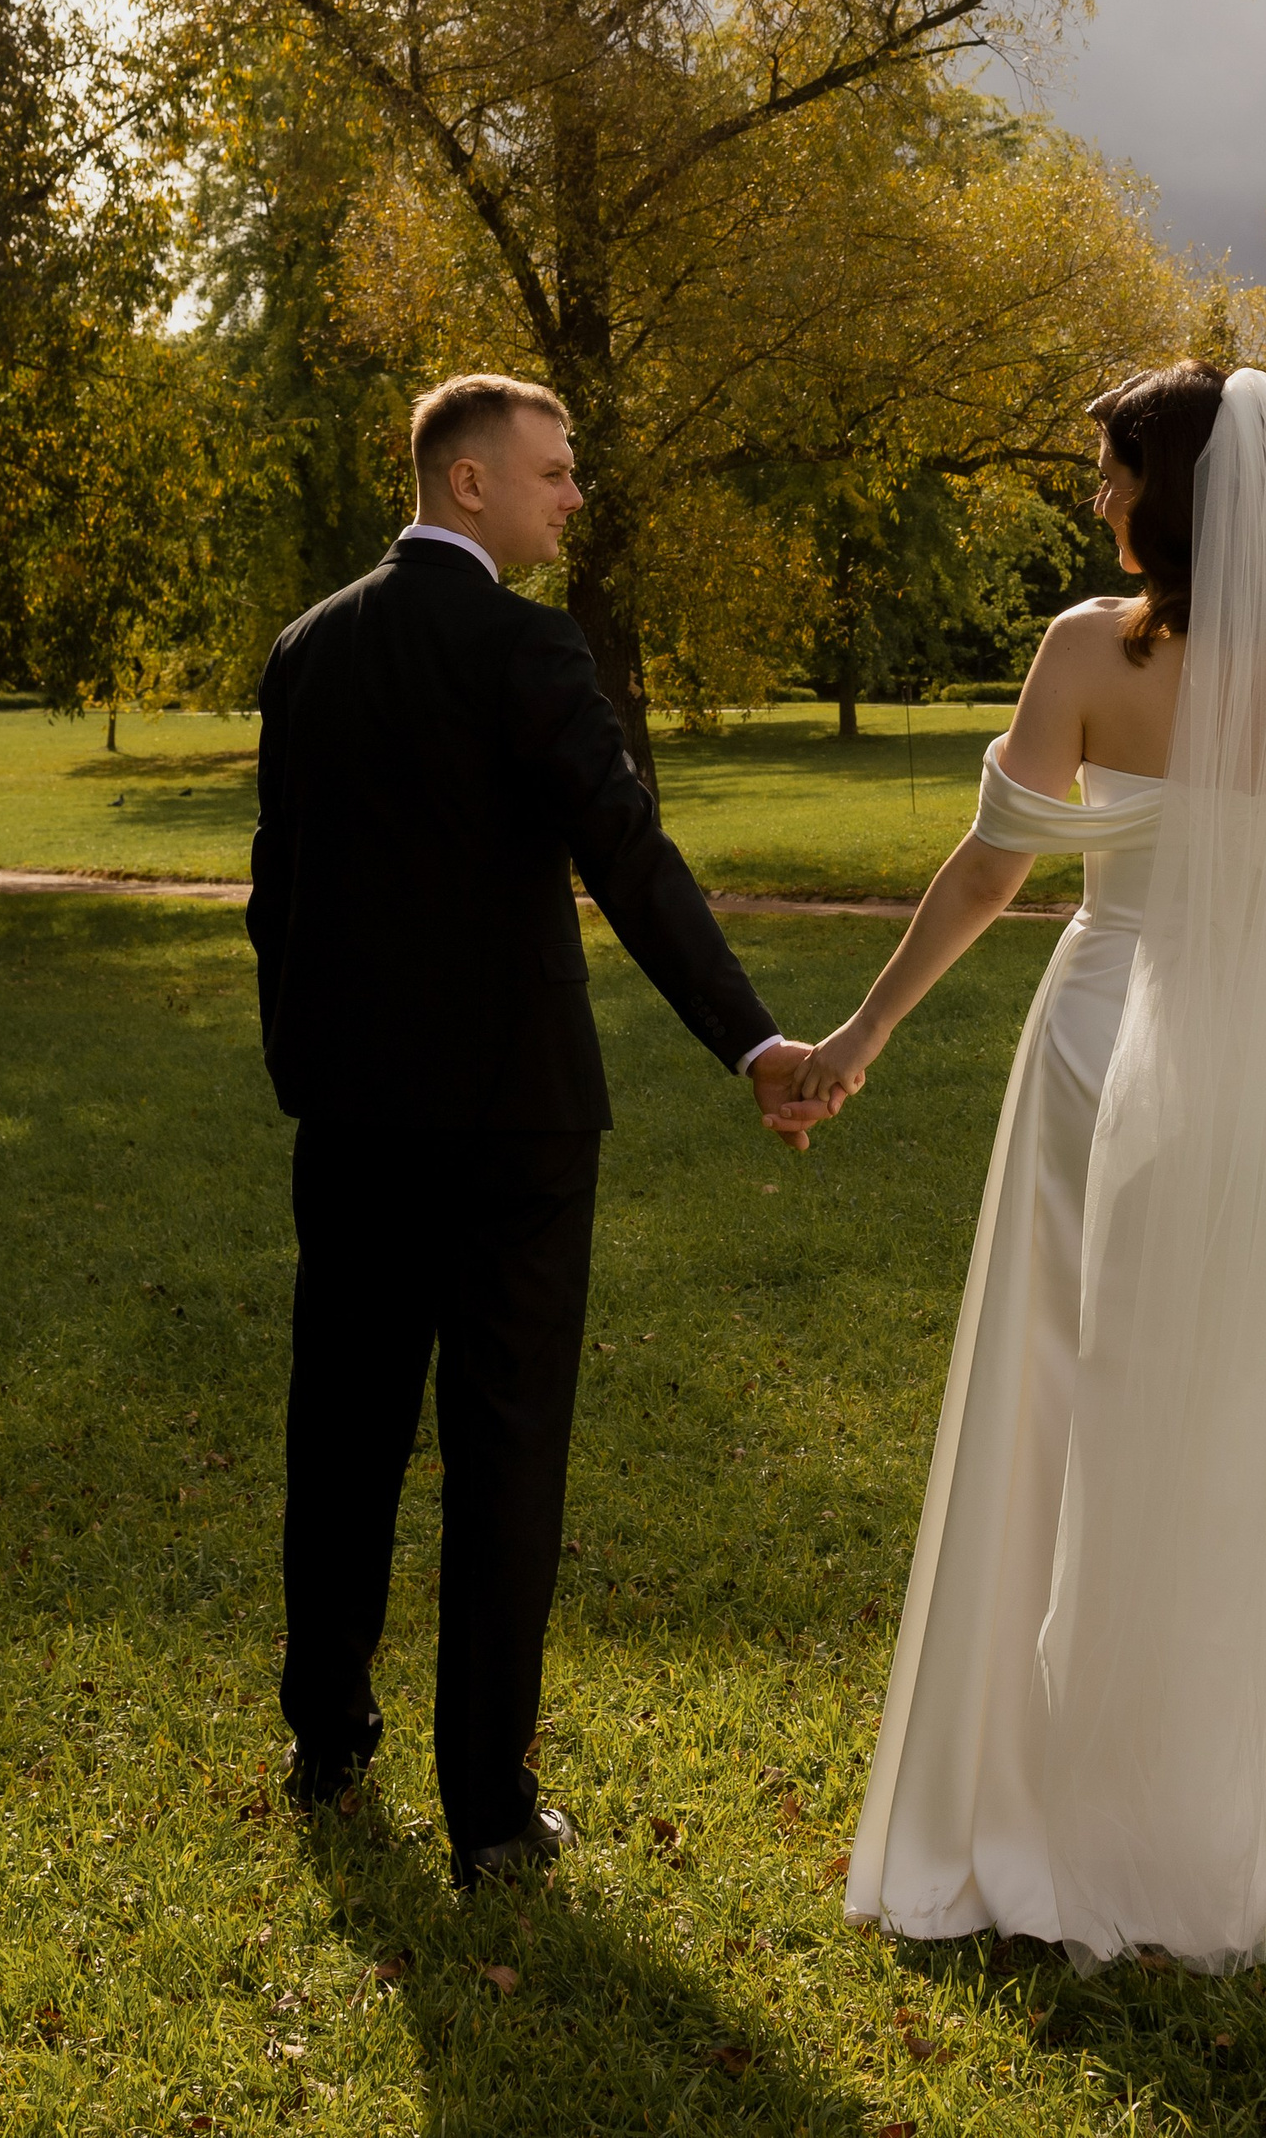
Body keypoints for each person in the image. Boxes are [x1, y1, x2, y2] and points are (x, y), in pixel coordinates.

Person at [793, 362, 1266, 1971]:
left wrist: (859, 1038)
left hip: (1099, 1041)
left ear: (1168, 490)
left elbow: (995, 867)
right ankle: (1202, 1822)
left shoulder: (1090, 648)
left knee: (1059, 1411)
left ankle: (1043, 1811)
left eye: (1109, 470)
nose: (1095, 498)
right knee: (1219, 1428)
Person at [248, 372, 840, 1880]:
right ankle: (490, 1814)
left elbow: (275, 895)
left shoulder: (306, 650)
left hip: (355, 1118)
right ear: (468, 484)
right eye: (555, 472)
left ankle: (326, 1735)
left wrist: (306, 1068)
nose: (574, 496)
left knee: (346, 1423)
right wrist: (753, 1040)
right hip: (514, 1126)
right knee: (505, 1449)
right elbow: (628, 858)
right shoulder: (525, 644)